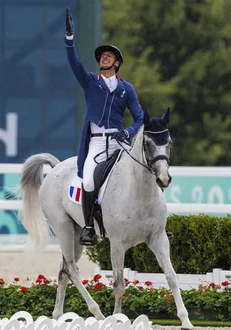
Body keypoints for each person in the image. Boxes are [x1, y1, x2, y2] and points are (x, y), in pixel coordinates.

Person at [65, 8, 144, 246]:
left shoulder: (126, 89)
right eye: (102, 56)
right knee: (88, 181)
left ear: (117, 63)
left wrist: (129, 132)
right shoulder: (90, 82)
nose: (104, 57)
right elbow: (73, 62)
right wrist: (69, 40)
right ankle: (89, 227)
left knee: (143, 173)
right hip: (97, 142)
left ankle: (154, 223)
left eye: (109, 56)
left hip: (119, 142)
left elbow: (140, 118)